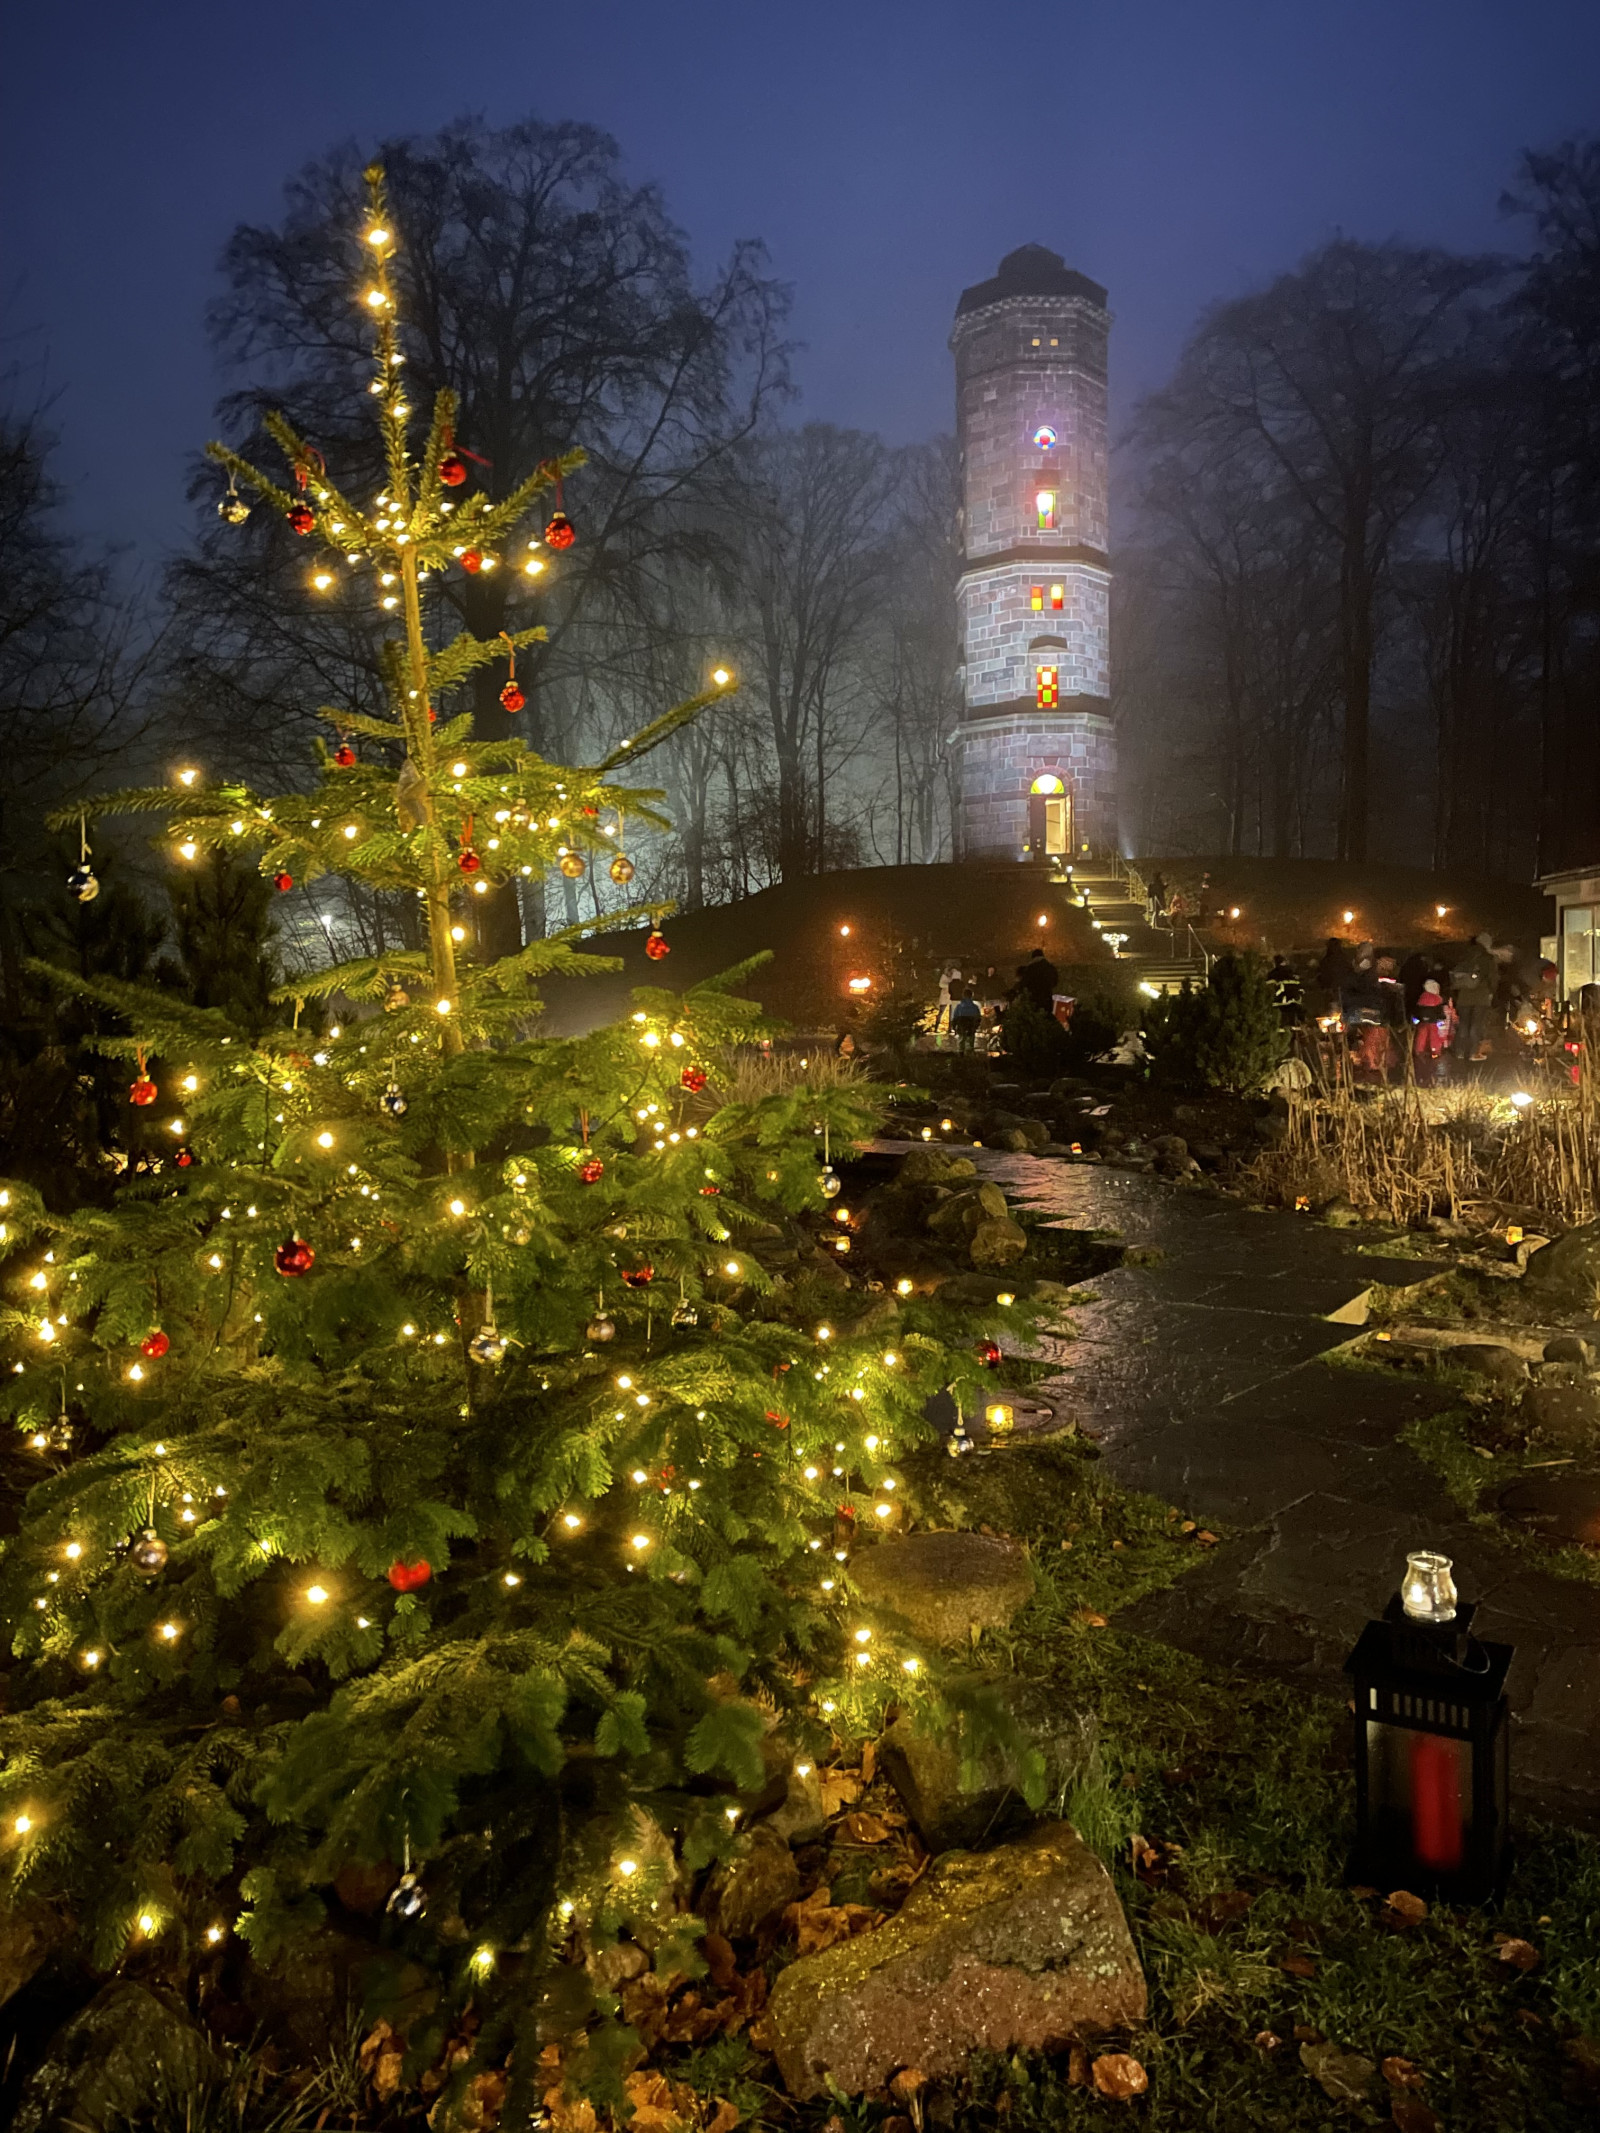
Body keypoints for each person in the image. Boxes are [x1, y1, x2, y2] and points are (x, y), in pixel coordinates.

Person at [1449, 933, 1498, 1066]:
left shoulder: (1465, 955)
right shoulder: (1488, 958)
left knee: (1463, 1025)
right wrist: (1492, 992)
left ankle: (1459, 1052)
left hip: (1464, 995)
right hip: (1481, 996)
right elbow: (1493, 978)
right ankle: (1473, 1053)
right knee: (1476, 1025)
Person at [1411, 978, 1453, 1087]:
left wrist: (1416, 1019)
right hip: (1433, 1022)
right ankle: (1435, 1051)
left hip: (1422, 1022)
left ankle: (1419, 1050)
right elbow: (1439, 1011)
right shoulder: (1437, 998)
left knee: (1421, 1036)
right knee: (1434, 1038)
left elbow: (1417, 1010)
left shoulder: (1422, 997)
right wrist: (1441, 1019)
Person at [1268, 954, 1304, 1029]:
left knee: (1281, 1025)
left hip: (1280, 1002)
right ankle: (1294, 1036)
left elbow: (1269, 988)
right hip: (1295, 1001)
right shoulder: (1293, 973)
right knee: (1293, 1024)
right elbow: (1301, 988)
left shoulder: (1273, 974)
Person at [950, 985, 982, 1054]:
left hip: (961, 1025)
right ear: (972, 996)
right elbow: (978, 1017)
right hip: (971, 1025)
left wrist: (954, 1026)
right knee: (970, 1041)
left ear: (963, 996)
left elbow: (955, 1017)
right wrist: (976, 1026)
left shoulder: (959, 1006)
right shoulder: (974, 1007)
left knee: (961, 1040)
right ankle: (970, 1054)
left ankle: (961, 1055)